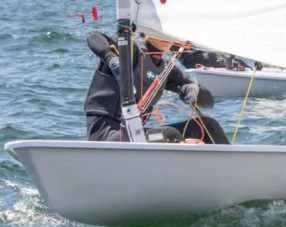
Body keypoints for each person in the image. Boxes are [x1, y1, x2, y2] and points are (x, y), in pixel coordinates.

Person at [84, 31, 229, 144]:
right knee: (169, 135)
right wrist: (111, 59)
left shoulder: (165, 69)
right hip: (107, 136)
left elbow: (207, 101)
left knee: (209, 126)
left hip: (137, 134)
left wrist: (192, 89)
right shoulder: (130, 50)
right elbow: (94, 37)